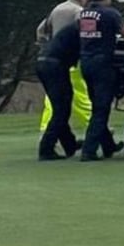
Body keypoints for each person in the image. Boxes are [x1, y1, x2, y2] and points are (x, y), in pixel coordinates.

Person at [78, 0, 124, 161]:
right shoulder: (111, 14)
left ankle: (107, 145)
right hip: (103, 64)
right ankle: (89, 150)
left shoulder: (84, 13)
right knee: (101, 109)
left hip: (86, 62)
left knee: (97, 106)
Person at [36, 0, 93, 140]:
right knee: (81, 96)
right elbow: (85, 33)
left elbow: (40, 30)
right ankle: (94, 127)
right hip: (68, 60)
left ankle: (47, 129)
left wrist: (47, 44)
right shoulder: (78, 11)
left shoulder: (57, 9)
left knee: (53, 99)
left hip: (51, 56)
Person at [36, 24, 83, 160]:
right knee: (61, 110)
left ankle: (70, 144)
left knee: (61, 107)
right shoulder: (83, 28)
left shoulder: (73, 28)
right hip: (55, 66)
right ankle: (46, 149)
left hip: (45, 62)